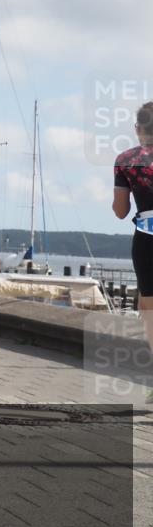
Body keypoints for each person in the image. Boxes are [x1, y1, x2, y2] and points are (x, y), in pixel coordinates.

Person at [113, 101, 153, 364]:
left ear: (138, 129)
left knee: (148, 307)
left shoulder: (126, 161)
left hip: (147, 237)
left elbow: (120, 211)